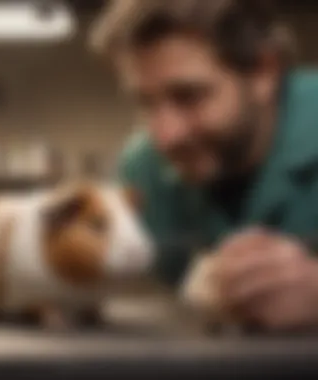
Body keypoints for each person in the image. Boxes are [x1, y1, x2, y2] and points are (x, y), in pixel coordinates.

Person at [89, 0, 318, 331]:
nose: (166, 136)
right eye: (145, 103)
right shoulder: (143, 174)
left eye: (189, 97)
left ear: (263, 73)